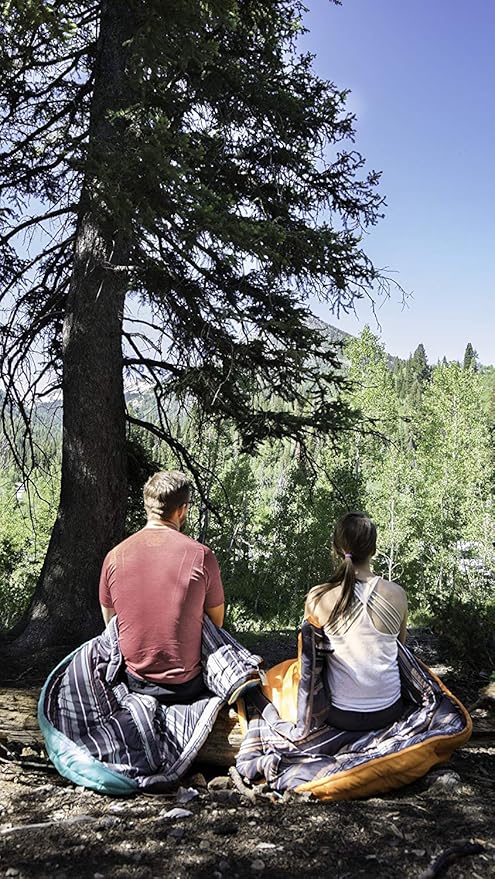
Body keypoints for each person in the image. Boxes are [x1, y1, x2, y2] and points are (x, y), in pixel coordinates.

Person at [99, 470, 225, 704]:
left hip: (133, 681)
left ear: (147, 506)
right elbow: (216, 623)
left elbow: (111, 623)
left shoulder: (114, 556)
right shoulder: (202, 556)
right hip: (187, 687)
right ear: (182, 510)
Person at [304, 511, 408, 732]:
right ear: (373, 549)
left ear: (336, 549)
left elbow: (308, 660)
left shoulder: (318, 597)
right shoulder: (397, 594)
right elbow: (400, 649)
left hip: (340, 715)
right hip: (389, 711)